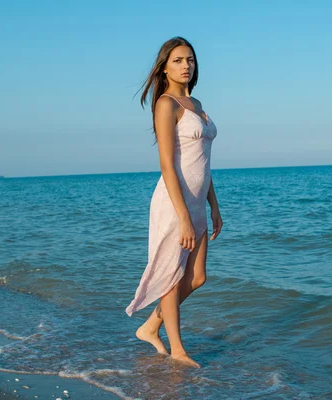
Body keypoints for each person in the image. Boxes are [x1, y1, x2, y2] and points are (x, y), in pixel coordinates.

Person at [125, 36, 223, 368]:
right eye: (178, 60)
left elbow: (203, 163)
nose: (186, 66)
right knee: (171, 275)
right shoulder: (166, 104)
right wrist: (182, 216)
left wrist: (214, 205)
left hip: (197, 201)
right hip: (173, 203)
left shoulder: (197, 104)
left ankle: (152, 326)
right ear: (164, 66)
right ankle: (178, 350)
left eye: (190, 60)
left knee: (196, 278)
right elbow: (167, 165)